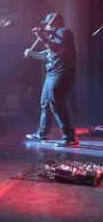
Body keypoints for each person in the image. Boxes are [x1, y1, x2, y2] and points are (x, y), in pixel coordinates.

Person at [24, 12, 78, 147]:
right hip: (52, 74)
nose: (46, 27)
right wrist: (32, 54)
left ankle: (70, 137)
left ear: (55, 23)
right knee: (45, 103)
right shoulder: (53, 36)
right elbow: (46, 54)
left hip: (62, 73)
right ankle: (42, 134)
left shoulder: (64, 32)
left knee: (56, 103)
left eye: (48, 24)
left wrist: (43, 38)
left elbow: (60, 50)